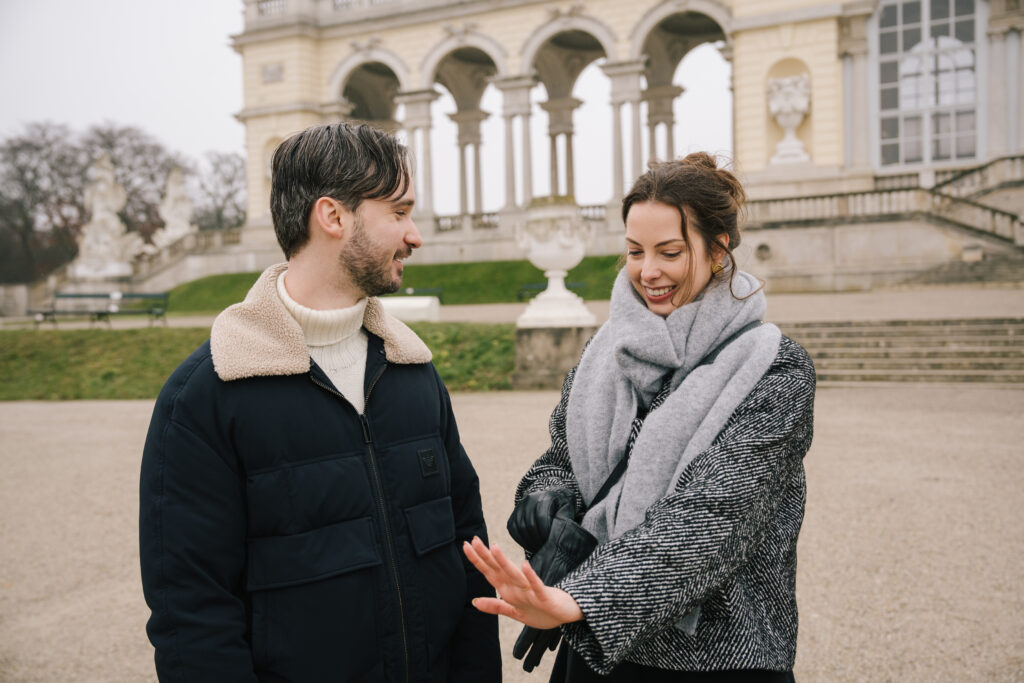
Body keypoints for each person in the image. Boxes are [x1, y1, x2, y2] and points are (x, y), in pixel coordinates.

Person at [139, 122, 501, 682]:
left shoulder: (414, 372)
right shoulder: (207, 397)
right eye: (399, 212)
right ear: (333, 216)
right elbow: (192, 618)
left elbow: (469, 561)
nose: (415, 235)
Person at [464, 152, 816, 682]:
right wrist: (548, 499)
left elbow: (709, 520)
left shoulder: (776, 369)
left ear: (719, 248)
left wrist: (585, 599)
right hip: (595, 648)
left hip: (715, 658)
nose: (648, 272)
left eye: (669, 252)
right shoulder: (605, 351)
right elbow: (561, 457)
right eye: (634, 251)